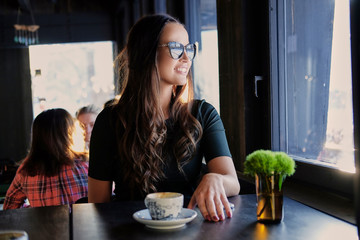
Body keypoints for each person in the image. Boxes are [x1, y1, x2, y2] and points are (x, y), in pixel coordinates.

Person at [88, 14, 240, 222]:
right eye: (176, 48)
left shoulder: (203, 114)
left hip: (191, 230)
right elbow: (97, 202)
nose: (186, 58)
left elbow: (232, 181)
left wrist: (215, 179)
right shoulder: (110, 121)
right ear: (146, 53)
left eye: (188, 49)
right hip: (129, 231)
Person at [3, 108, 89, 209]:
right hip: (84, 224)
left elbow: (9, 207)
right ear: (70, 133)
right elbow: (104, 202)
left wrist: (32, 210)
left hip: (44, 225)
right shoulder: (84, 165)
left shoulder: (26, 171)